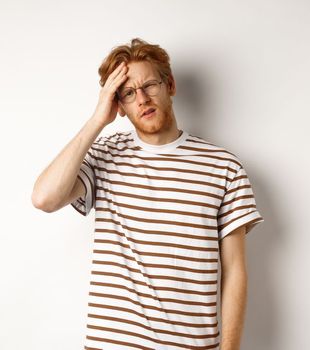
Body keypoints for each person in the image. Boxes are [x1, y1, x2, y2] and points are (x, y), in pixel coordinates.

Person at [31, 38, 264, 350]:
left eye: (149, 85)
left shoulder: (224, 167)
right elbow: (43, 198)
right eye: (127, 93)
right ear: (120, 106)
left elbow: (235, 270)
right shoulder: (105, 155)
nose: (141, 98)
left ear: (170, 85)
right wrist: (98, 119)